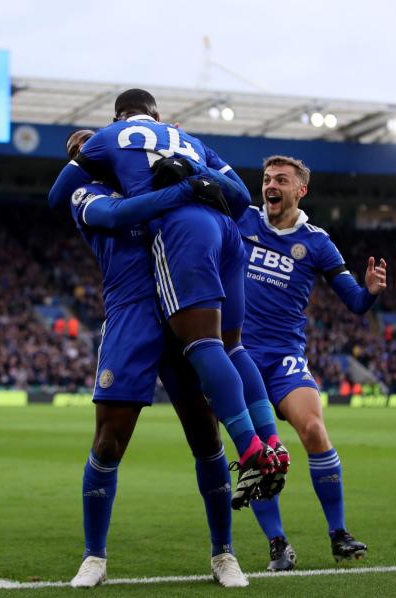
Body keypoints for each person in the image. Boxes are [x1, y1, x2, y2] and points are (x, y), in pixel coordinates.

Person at [49, 89, 288, 511]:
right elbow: (237, 198)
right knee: (232, 347)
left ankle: (252, 449)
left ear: (117, 118)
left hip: (179, 244)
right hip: (222, 235)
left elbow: (57, 197)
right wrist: (195, 181)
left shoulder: (109, 139)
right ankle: (271, 440)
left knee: (207, 348)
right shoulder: (187, 140)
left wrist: (178, 192)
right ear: (158, 115)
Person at [61, 129, 248, 588]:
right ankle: (94, 557)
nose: (91, 154)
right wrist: (184, 187)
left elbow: (233, 205)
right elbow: (120, 212)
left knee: (206, 438)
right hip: (131, 316)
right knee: (108, 441)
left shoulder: (156, 176)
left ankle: (224, 553)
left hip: (183, 307)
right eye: (80, 152)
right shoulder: (86, 194)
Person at [236, 155, 386, 569]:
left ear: (300, 190)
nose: (271, 185)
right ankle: (278, 545)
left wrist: (370, 291)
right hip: (237, 357)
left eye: (281, 179)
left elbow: (355, 302)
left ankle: (338, 533)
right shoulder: (241, 219)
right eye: (267, 178)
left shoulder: (317, 242)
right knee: (259, 456)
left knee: (315, 429)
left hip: (284, 357)